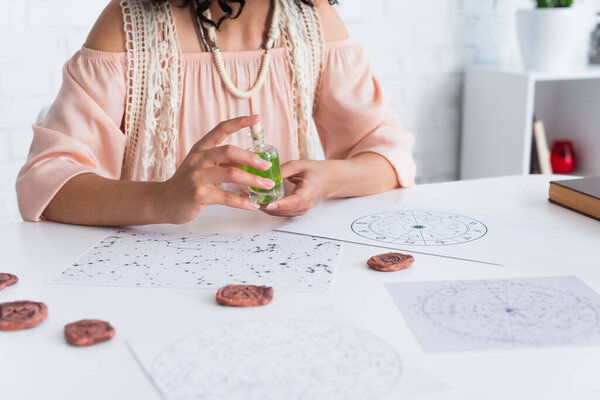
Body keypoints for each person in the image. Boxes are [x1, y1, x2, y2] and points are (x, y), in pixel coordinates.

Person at [16, 0, 416, 226]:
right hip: (149, 280)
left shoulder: (314, 24)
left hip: (280, 273)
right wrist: (161, 199)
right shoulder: (125, 27)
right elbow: (48, 185)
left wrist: (328, 178)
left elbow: (390, 158)